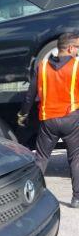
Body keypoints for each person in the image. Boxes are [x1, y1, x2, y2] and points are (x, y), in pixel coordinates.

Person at [18, 32, 79, 208]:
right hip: (71, 118)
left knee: (42, 158)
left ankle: (31, 194)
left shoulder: (42, 66)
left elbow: (30, 95)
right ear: (69, 48)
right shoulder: (76, 67)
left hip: (48, 119)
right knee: (75, 158)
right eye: (76, 48)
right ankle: (76, 198)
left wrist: (23, 114)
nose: (77, 51)